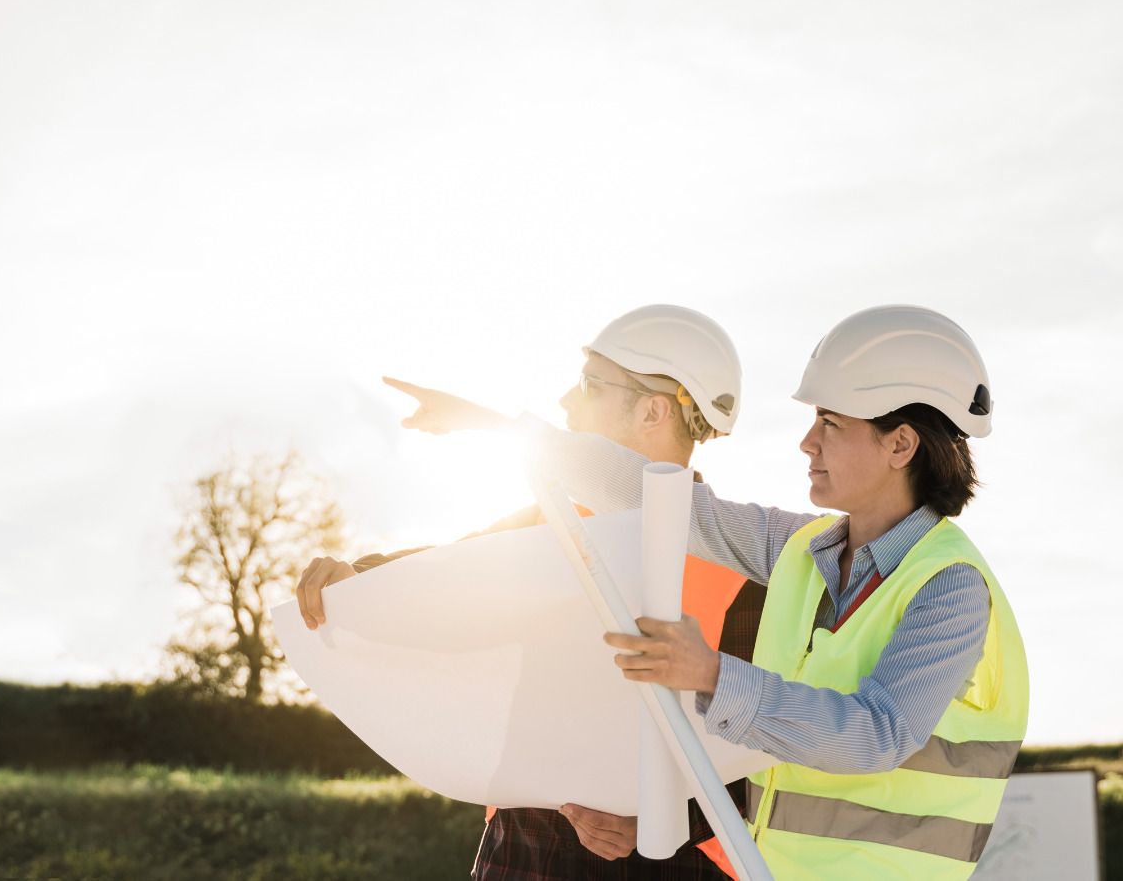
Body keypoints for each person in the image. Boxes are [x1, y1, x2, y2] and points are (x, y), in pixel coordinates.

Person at [388, 305, 1028, 881]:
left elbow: (878, 734)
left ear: (901, 444)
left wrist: (711, 674)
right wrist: (496, 428)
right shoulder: (799, 548)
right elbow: (659, 501)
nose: (807, 442)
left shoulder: (950, 587)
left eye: (830, 424)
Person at [297, 304, 762, 880]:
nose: (566, 401)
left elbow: (768, 748)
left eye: (591, 385)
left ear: (654, 410)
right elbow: (442, 574)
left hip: (673, 862)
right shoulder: (543, 523)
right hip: (526, 847)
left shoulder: (745, 575)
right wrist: (356, 577)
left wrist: (665, 819)